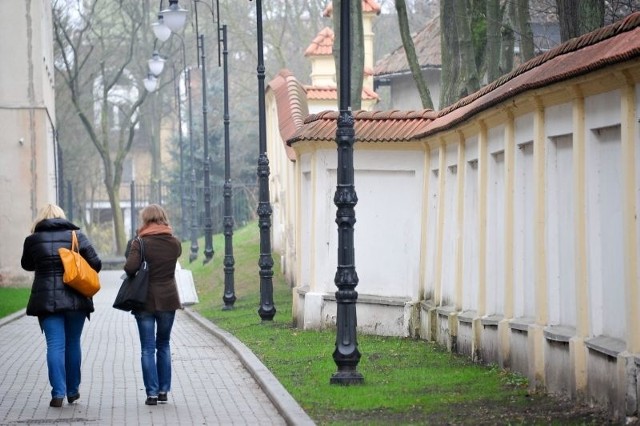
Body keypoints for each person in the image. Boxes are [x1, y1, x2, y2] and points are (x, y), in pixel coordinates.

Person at [21, 204, 102, 408]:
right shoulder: (76, 235)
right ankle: (73, 391)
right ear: (62, 216)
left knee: (55, 345)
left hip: (46, 300)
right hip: (76, 298)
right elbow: (97, 263)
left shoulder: (32, 240)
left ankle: (58, 393)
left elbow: (27, 265)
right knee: (73, 343)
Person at [124, 204, 182, 406]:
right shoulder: (174, 243)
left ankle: (152, 394)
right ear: (163, 218)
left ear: (145, 220)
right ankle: (164, 390)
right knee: (163, 344)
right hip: (168, 299)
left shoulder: (140, 242)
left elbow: (130, 268)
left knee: (147, 348)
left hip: (145, 301)